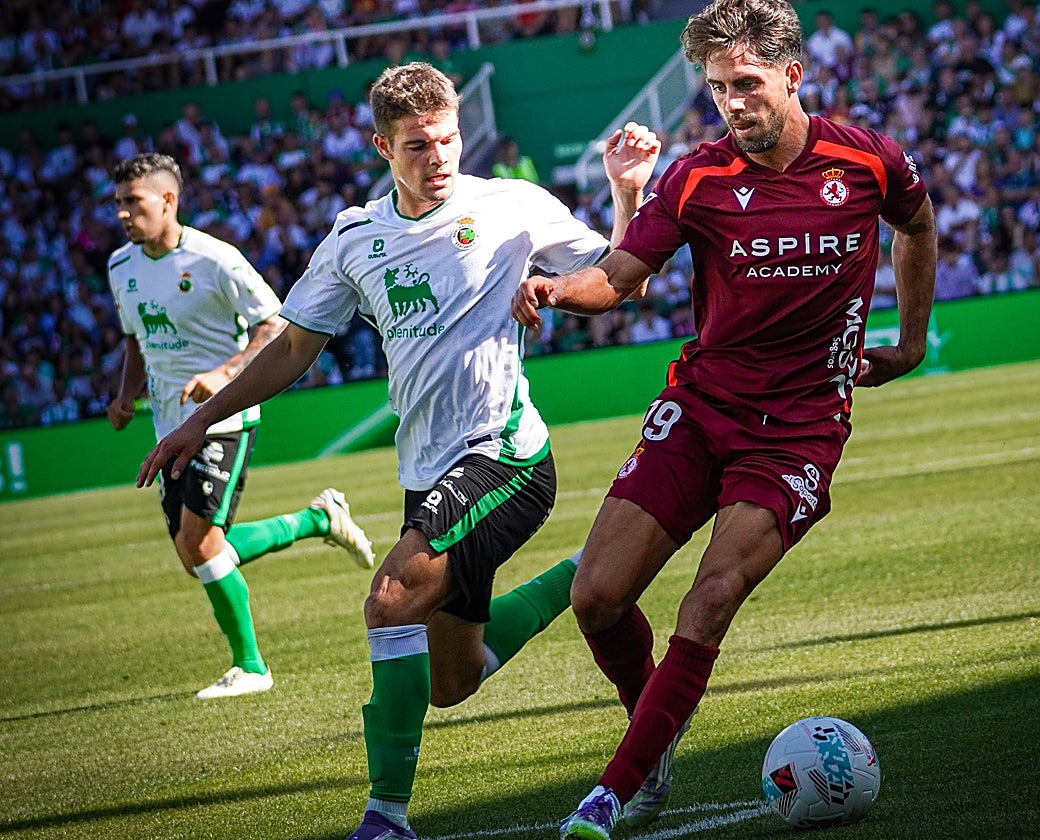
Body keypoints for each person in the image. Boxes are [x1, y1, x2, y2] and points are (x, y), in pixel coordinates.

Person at [135, 63, 660, 839]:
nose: (439, 156)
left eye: (447, 138)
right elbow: (290, 349)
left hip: (505, 458)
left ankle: (385, 818)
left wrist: (627, 190)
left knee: (388, 601)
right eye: (419, 145)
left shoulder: (511, 206)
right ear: (384, 146)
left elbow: (626, 279)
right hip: (427, 473)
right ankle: (588, 576)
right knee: (450, 681)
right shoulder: (356, 237)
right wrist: (197, 420)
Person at [510, 1, 937, 836]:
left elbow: (916, 226)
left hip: (802, 428)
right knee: (597, 597)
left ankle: (611, 791)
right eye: (716, 89)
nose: (733, 104)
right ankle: (653, 735)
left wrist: (911, 342)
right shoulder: (695, 177)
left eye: (746, 84)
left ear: (791, 75)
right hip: (701, 410)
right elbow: (620, 276)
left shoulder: (867, 160)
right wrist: (561, 288)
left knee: (708, 601)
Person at [106, 153, 376, 699]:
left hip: (224, 418)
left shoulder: (215, 259)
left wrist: (223, 373)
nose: (122, 216)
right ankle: (316, 520)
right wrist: (123, 394)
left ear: (168, 201)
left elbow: (273, 322)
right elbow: (135, 339)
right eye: (118, 205)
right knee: (196, 554)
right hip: (167, 422)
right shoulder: (120, 267)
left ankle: (251, 666)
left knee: (200, 544)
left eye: (132, 203)